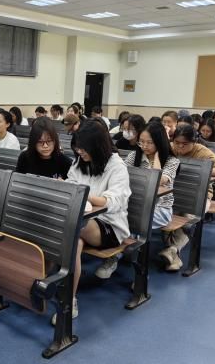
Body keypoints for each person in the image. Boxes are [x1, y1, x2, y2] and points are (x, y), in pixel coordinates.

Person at [53, 121, 131, 325]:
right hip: (82, 222)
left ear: (97, 145)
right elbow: (72, 182)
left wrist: (82, 194)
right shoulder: (80, 161)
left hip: (110, 225)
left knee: (72, 227)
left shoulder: (116, 166)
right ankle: (69, 300)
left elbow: (114, 202)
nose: (80, 152)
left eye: (83, 148)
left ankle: (52, 280)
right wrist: (66, 187)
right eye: (77, 148)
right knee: (74, 243)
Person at [119, 123, 180, 272]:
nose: (144, 146)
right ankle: (118, 257)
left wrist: (157, 159)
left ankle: (126, 262)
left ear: (159, 142)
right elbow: (120, 174)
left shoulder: (172, 161)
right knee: (118, 218)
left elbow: (159, 181)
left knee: (133, 222)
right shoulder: (134, 156)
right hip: (134, 205)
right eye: (141, 142)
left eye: (149, 142)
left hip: (161, 209)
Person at [169, 125, 215, 268]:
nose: (180, 147)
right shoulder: (171, 148)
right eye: (177, 142)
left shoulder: (202, 151)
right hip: (176, 193)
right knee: (169, 218)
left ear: (194, 142)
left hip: (200, 194)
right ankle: (172, 255)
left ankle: (172, 250)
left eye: (185, 144)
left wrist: (194, 170)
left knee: (189, 217)